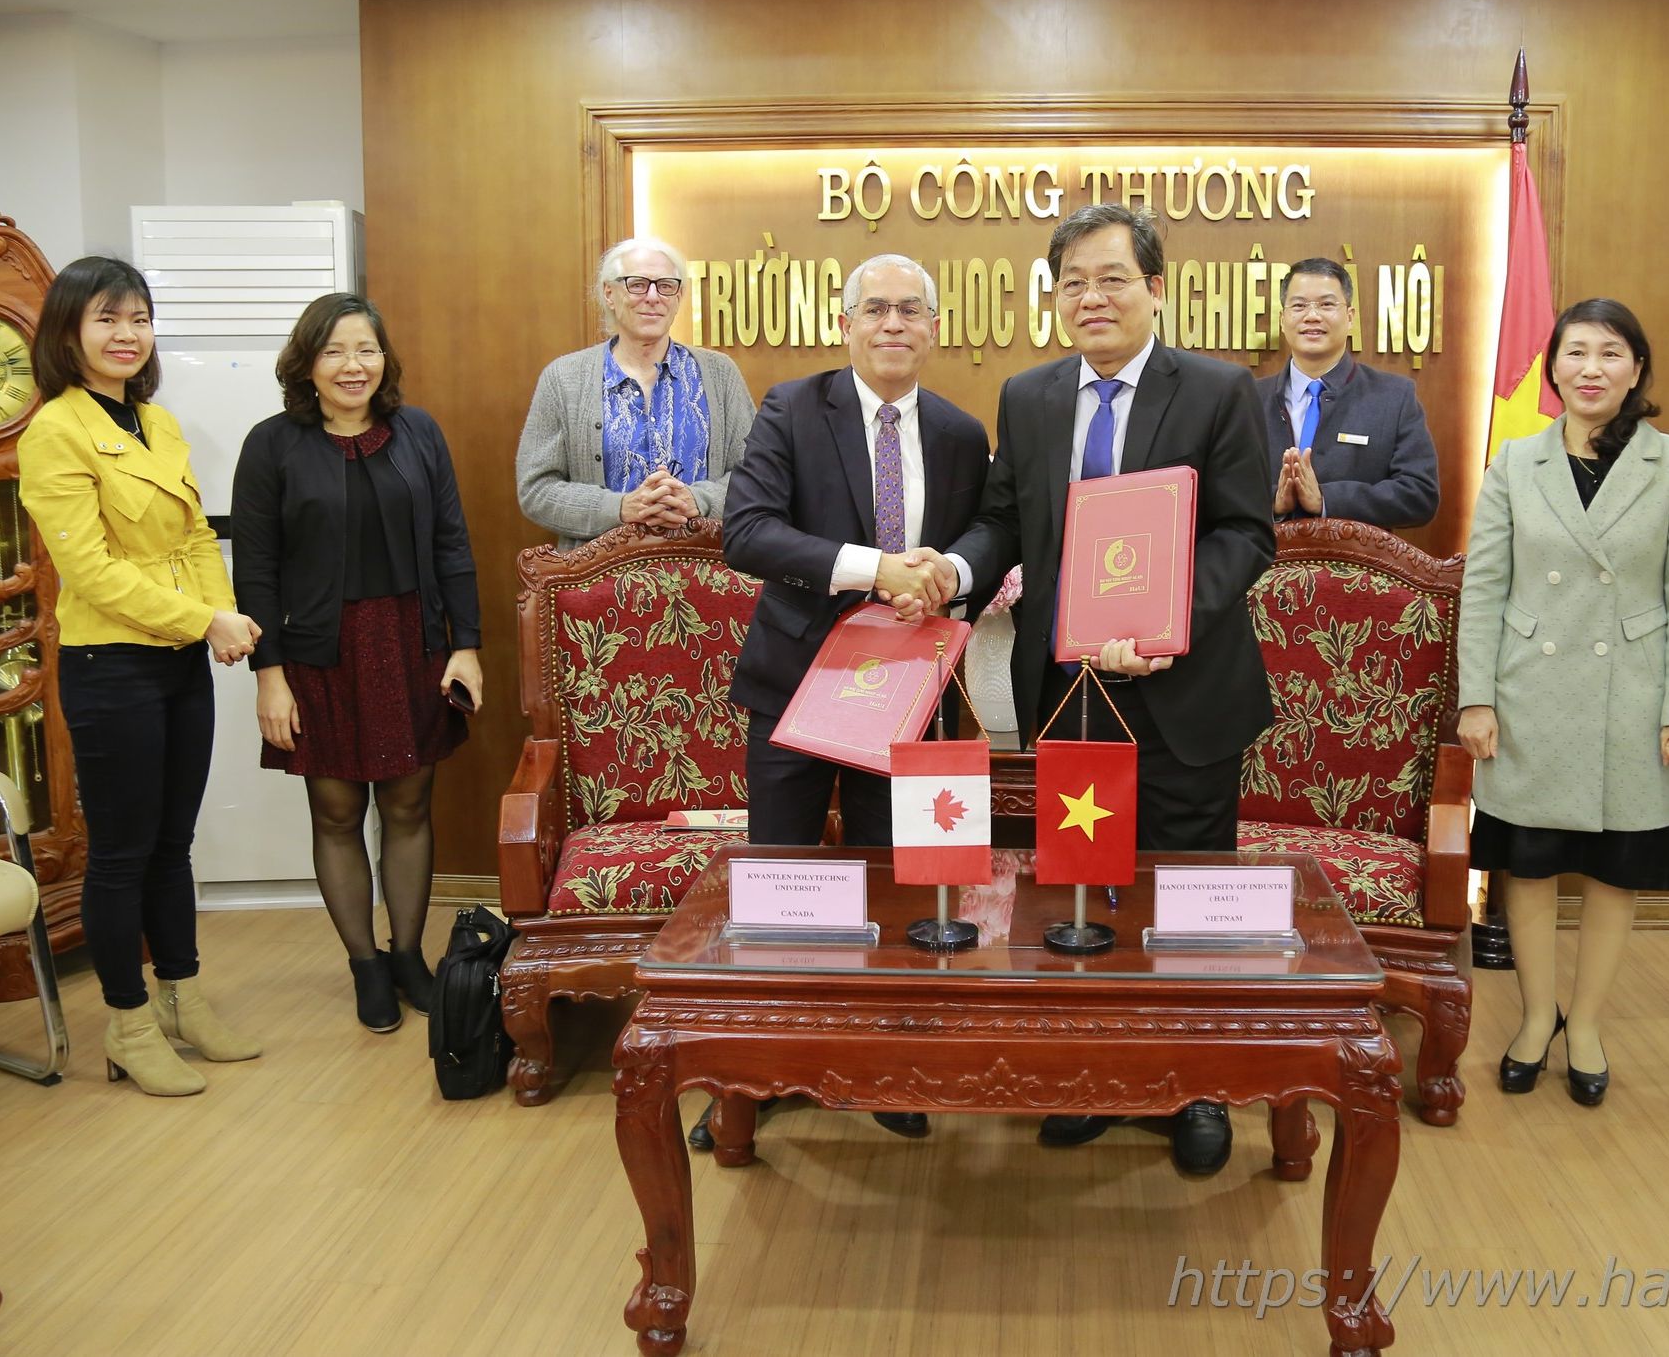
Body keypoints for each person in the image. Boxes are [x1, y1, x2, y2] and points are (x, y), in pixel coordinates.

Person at [918, 203, 1277, 1175]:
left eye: (1112, 278)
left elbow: (1245, 534)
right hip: (1071, 694)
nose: (1092, 298)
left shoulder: (1217, 390)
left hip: (1183, 688)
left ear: (1155, 287)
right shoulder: (1029, 396)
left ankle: (1191, 1085)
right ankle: (1103, 1078)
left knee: (1182, 894)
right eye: (1072, 281)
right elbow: (1004, 522)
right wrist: (955, 572)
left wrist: (1165, 623)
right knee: (1085, 892)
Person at [720, 252, 992, 1141]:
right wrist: (874, 568)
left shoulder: (957, 431)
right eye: (875, 308)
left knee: (897, 882)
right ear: (845, 322)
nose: (893, 324)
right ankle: (761, 1070)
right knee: (782, 879)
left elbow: (985, 536)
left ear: (936, 326)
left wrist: (942, 575)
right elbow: (749, 531)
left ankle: (889, 1062)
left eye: (911, 309)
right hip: (799, 682)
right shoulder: (792, 408)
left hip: (908, 693)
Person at [1456, 298, 1669, 1108]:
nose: (1592, 368)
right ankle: (1537, 1018)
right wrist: (1476, 697)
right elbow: (1486, 586)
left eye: (1611, 353)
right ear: (1553, 367)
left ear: (1637, 368)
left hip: (1632, 697)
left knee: (1614, 870)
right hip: (1529, 689)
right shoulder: (1513, 462)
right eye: (1576, 352)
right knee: (1527, 867)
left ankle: (1591, 1023)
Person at [19, 256, 263, 1096]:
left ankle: (180, 1000)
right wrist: (205, 618)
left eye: (139, 318)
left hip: (180, 659)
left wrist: (219, 617)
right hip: (109, 664)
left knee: (172, 843)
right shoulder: (55, 429)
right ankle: (126, 1023)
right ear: (69, 333)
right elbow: (88, 572)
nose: (127, 335)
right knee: (121, 853)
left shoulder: (157, 423)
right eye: (107, 319)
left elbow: (195, 539)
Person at [231, 293, 483, 1034]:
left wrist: (465, 642)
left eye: (366, 349)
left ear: (384, 359)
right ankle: (364, 964)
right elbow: (257, 572)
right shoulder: (271, 444)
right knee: (337, 810)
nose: (353, 365)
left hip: (412, 643)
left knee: (408, 804)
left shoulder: (418, 432)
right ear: (307, 363)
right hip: (318, 653)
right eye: (335, 351)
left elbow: (452, 543)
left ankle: (409, 955)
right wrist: (267, 674)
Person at [516, 237, 754, 547]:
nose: (653, 297)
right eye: (637, 284)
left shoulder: (720, 374)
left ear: (679, 296)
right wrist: (619, 508)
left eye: (666, 285)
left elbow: (756, 475)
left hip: (708, 577)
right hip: (598, 581)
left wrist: (699, 500)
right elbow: (537, 489)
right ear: (609, 293)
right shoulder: (563, 379)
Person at [1254, 257, 1438, 527]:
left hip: (1357, 566)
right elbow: (1219, 492)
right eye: (1299, 305)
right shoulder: (1248, 399)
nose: (1312, 315)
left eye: (1327, 304)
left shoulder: (1394, 398)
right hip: (1265, 565)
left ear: (1350, 317)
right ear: (1283, 319)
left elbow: (1420, 495)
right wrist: (1273, 501)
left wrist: (1327, 499)